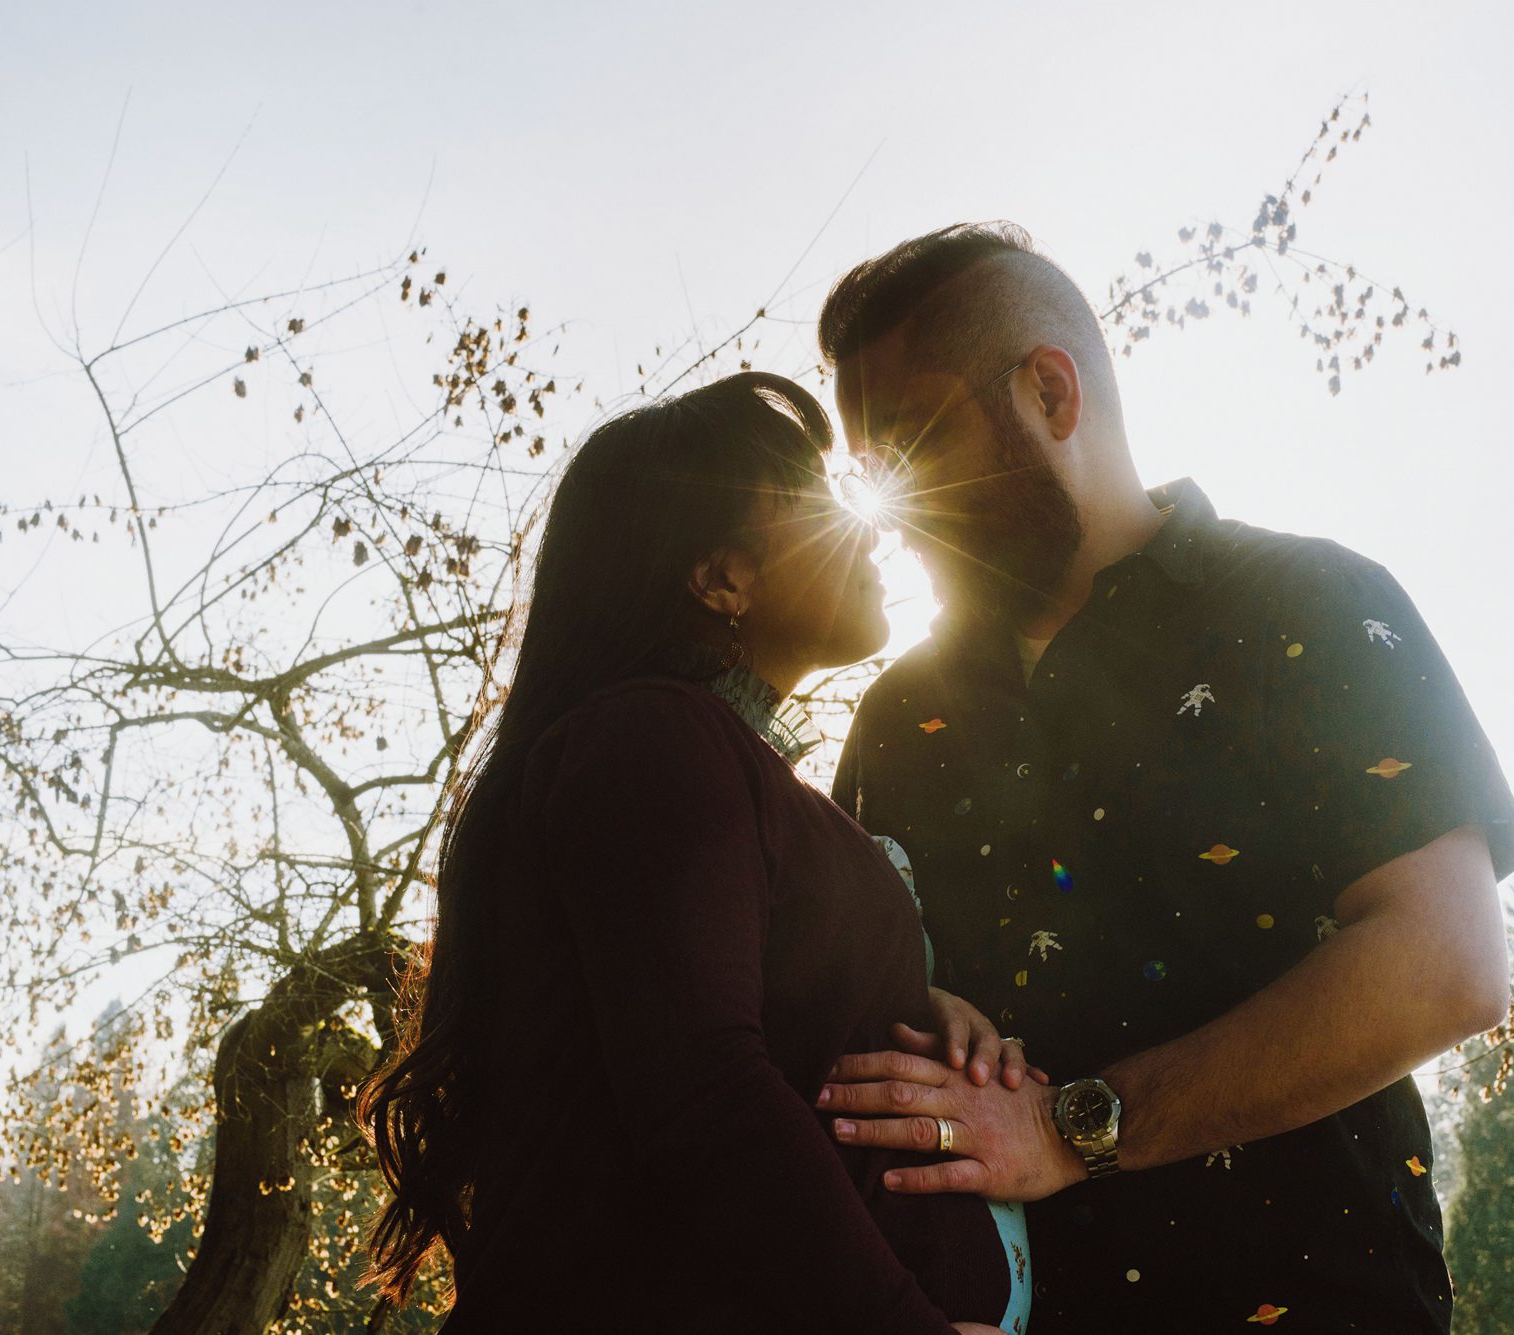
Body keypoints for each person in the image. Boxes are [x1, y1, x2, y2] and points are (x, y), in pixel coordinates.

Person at [811, 224, 1514, 1331]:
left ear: (1051, 394)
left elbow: (1443, 964)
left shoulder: (1310, 603)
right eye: (872, 471)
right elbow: (838, 1011)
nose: (893, 506)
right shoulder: (896, 716)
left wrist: (1069, 1130)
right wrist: (905, 1000)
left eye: (914, 443)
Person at [356, 372, 1033, 1333]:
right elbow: (704, 1093)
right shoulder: (650, 737)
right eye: (813, 501)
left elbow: (716, 1010)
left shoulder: (716, 768)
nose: (870, 528)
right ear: (720, 578)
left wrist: (905, 999)